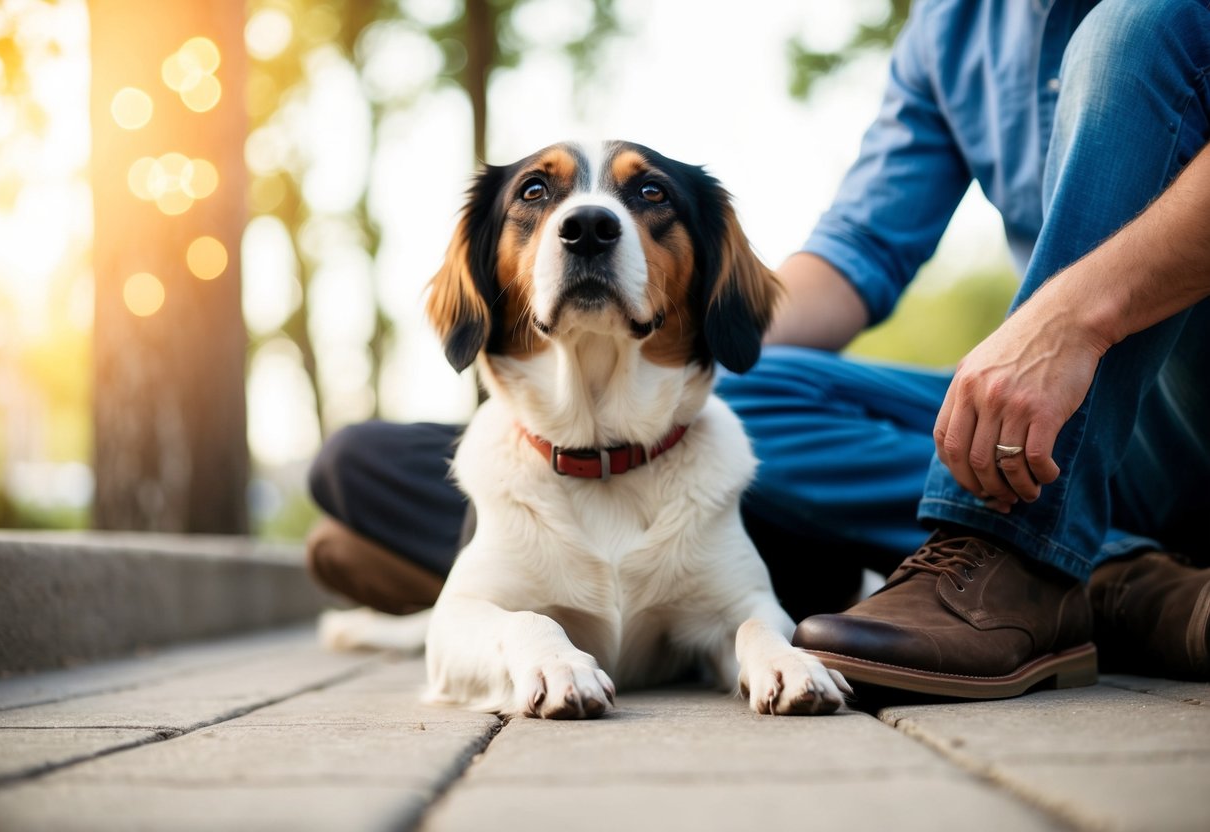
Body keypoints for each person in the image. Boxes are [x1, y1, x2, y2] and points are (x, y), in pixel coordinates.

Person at [306, 0, 1210, 694]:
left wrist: (1069, 321)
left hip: (1162, 409)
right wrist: (684, 335)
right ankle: (588, 570)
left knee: (1138, 28)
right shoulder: (951, 26)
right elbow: (853, 257)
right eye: (541, 202)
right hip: (1050, 444)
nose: (589, 221)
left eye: (641, 203)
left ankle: (1097, 579)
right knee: (358, 462)